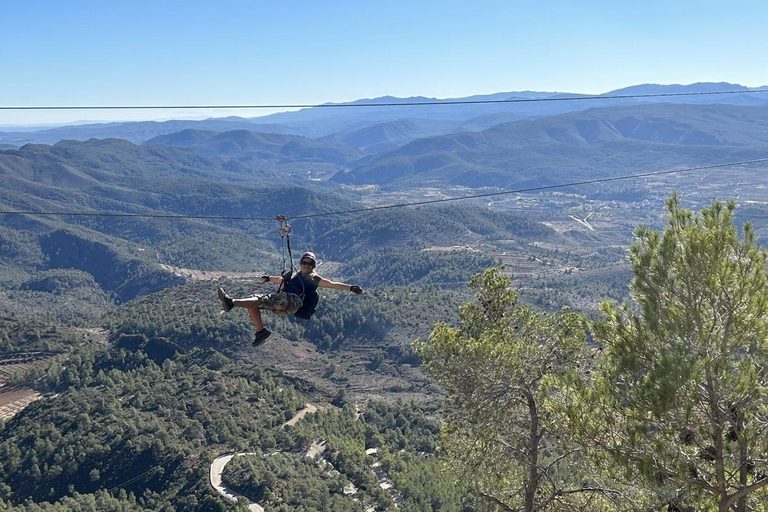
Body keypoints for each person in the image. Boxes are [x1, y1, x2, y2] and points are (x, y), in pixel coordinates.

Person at [217, 252, 364, 346]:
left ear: (313, 266)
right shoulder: (295, 276)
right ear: (300, 263)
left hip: (292, 301)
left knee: (260, 299)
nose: (306, 265)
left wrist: (351, 288)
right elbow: (281, 280)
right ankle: (261, 332)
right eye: (304, 263)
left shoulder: (314, 279)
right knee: (252, 301)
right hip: (285, 300)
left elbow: (332, 285)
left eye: (309, 263)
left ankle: (231, 302)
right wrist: (268, 278)